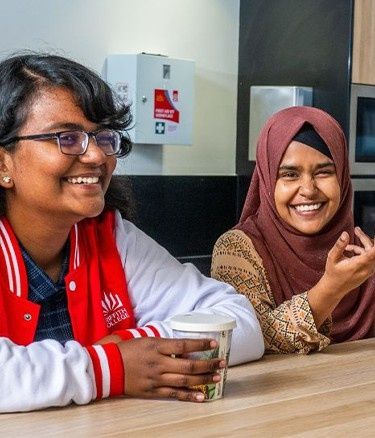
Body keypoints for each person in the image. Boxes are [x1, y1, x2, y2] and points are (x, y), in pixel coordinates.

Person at [0, 53, 264, 412]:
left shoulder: (110, 236)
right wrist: (111, 366)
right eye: (67, 137)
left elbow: (240, 324)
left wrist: (136, 343)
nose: (96, 156)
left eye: (104, 136)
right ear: (4, 162)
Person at [211, 106, 375, 354]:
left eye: (323, 172)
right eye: (289, 174)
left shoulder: (364, 255)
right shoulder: (238, 249)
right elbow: (246, 340)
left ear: (342, 175)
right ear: (267, 179)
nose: (308, 189)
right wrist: (331, 289)